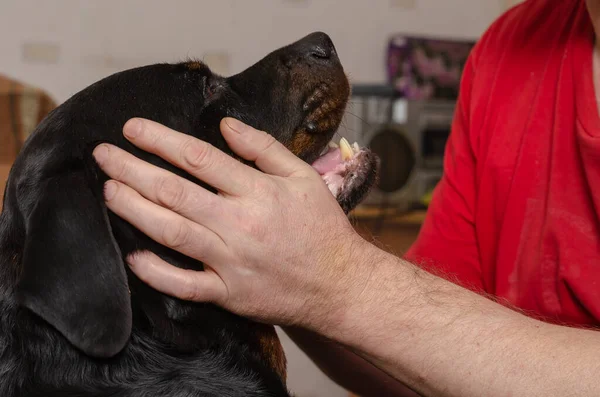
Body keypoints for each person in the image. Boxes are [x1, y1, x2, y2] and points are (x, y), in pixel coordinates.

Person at [91, 0, 600, 395]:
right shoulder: (507, 51)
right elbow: (421, 352)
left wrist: (338, 279)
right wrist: (284, 262)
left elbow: (368, 302)